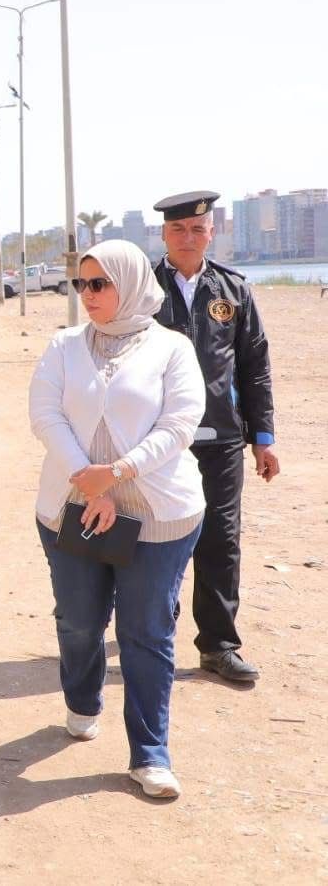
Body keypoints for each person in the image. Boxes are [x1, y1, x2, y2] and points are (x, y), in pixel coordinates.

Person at [29, 240, 206, 799]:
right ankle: (83, 701)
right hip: (73, 507)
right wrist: (88, 479)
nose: (88, 294)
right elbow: (45, 414)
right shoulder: (63, 346)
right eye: (81, 284)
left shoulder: (172, 349)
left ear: (129, 284)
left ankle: (150, 754)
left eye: (99, 283)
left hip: (158, 514)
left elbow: (180, 424)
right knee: (79, 621)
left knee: (145, 632)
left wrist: (119, 473)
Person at [151, 191, 279, 685]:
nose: (188, 238)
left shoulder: (233, 290)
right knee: (155, 537)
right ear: (164, 234)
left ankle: (219, 645)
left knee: (221, 541)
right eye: (178, 229)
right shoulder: (143, 288)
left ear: (211, 233)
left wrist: (262, 437)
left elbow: (254, 367)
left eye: (197, 230)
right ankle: (151, 631)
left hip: (222, 438)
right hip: (158, 440)